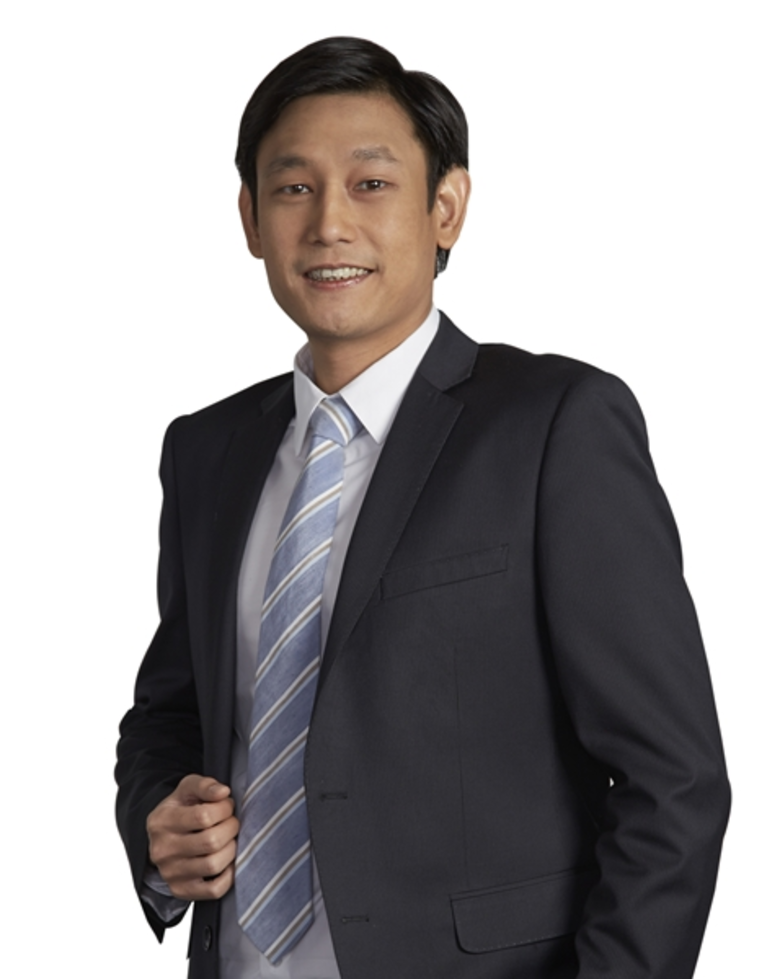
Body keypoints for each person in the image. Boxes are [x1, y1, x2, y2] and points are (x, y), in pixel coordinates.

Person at [115, 36, 730, 979]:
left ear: (446, 208)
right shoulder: (207, 450)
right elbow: (172, 711)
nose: (329, 224)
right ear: (250, 218)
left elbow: (672, 782)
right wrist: (160, 820)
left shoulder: (553, 425)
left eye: (371, 185)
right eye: (293, 188)